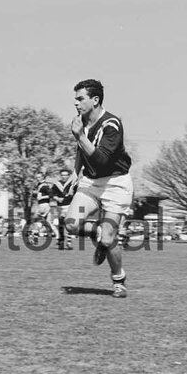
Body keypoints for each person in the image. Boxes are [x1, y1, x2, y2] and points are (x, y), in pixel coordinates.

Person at [63, 79, 134, 298]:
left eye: (80, 98)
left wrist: (80, 136)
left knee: (108, 240)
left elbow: (102, 159)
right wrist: (76, 171)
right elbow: (80, 149)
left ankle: (119, 279)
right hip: (92, 182)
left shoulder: (111, 125)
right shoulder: (82, 120)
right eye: (75, 98)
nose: (76, 103)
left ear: (95, 100)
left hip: (115, 184)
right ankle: (96, 230)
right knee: (71, 225)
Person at [50, 167, 77, 250]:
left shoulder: (72, 185)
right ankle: (61, 242)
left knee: (69, 224)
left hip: (69, 206)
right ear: (60, 176)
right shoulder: (56, 185)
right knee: (60, 225)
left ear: (69, 176)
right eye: (62, 175)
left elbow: (77, 194)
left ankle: (68, 242)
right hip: (60, 207)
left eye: (66, 175)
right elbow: (51, 194)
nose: (64, 177)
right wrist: (57, 198)